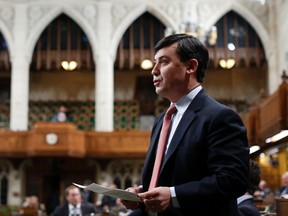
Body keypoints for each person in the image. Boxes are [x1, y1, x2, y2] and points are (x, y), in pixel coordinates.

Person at [121, 33, 249, 216]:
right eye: (154, 62)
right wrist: (142, 192)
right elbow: (170, 175)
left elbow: (232, 180)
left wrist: (174, 195)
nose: (154, 70)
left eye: (163, 62)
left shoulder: (220, 116)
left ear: (191, 66)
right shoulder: (161, 119)